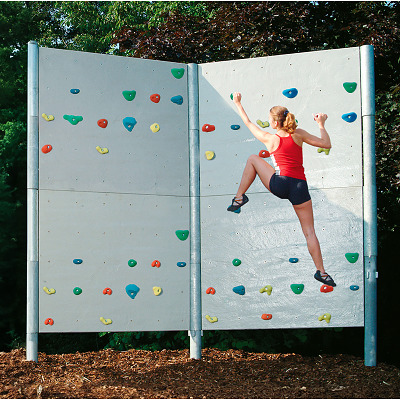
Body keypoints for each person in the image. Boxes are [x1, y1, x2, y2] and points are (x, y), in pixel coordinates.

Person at [228, 92, 336, 287]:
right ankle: (322, 273)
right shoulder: (299, 134)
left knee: (253, 159)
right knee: (309, 232)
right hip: (299, 187)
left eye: (270, 120)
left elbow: (248, 122)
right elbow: (326, 144)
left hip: (279, 184)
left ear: (275, 123)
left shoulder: (269, 138)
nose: (269, 123)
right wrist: (321, 124)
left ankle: (238, 198)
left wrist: (238, 103)